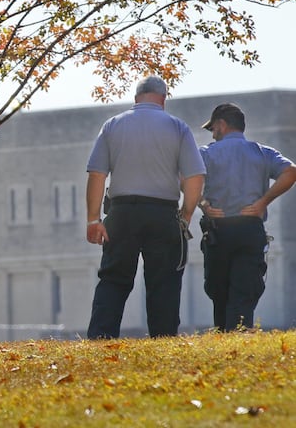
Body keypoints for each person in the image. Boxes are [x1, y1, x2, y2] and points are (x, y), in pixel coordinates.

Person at [84, 75, 205, 339]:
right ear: (163, 99)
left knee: (114, 277)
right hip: (163, 213)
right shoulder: (178, 127)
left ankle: (100, 337)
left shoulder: (113, 125)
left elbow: (97, 174)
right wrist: (185, 215)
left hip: (122, 211)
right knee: (164, 282)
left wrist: (94, 219)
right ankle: (163, 339)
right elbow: (196, 177)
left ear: (136, 98)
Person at [198, 103, 296, 332]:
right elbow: (291, 172)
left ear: (221, 125)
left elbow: (185, 178)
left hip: (217, 229)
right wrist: (263, 202)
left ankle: (223, 334)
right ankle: (240, 334)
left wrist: (203, 204)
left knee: (218, 288)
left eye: (213, 128)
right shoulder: (262, 152)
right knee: (245, 287)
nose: (212, 134)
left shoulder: (206, 153)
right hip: (250, 228)